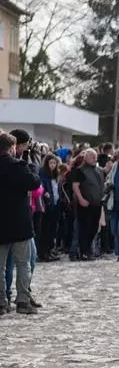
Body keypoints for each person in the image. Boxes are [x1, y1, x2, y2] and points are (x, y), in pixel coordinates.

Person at [0, 132, 42, 315]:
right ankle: (23, 301)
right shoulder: (19, 166)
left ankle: (1, 302)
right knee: (23, 263)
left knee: (0, 266)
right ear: (11, 148)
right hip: (19, 222)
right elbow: (34, 183)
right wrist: (32, 165)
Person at [69, 149, 105, 260]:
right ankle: (83, 251)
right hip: (85, 204)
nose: (95, 159)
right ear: (86, 158)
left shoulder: (99, 170)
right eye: (92, 157)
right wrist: (81, 199)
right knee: (84, 228)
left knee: (94, 228)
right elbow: (75, 186)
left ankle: (88, 250)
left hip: (97, 204)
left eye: (95, 157)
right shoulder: (80, 170)